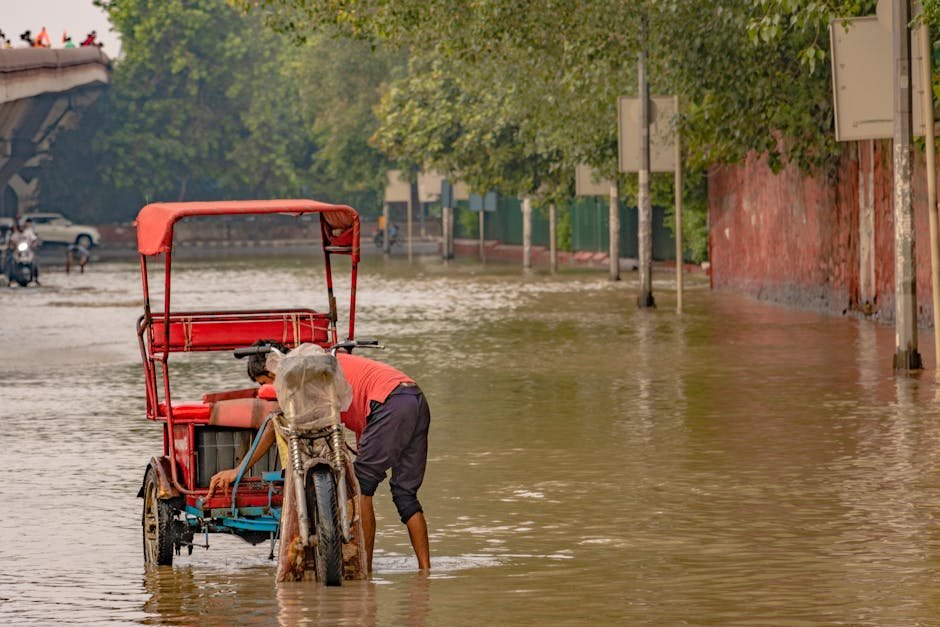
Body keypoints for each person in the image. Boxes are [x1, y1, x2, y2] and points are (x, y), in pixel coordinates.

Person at [207, 341, 432, 574]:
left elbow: (275, 426)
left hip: (388, 404)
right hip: (413, 396)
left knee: (361, 486)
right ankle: (426, 572)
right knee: (405, 495)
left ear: (273, 371)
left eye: (268, 383)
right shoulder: (321, 363)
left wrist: (239, 470)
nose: (276, 391)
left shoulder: (304, 373)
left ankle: (365, 570)